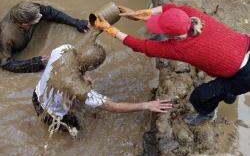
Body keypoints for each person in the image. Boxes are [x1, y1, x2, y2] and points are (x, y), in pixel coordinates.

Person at [94, 3, 250, 126]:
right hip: (245, 46)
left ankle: (207, 114)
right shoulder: (189, 13)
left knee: (199, 97)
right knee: (226, 82)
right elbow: (167, 8)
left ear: (170, 35)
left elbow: (140, 46)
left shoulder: (180, 48)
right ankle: (229, 94)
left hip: (244, 75)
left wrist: (110, 30)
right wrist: (137, 13)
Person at [33, 44, 172, 133]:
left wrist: (83, 75)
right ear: (92, 67)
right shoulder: (81, 90)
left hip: (37, 94)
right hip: (53, 116)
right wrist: (147, 105)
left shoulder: (64, 48)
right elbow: (113, 107)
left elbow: (66, 66)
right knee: (77, 133)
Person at [0, 1, 89, 73]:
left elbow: (50, 12)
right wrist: (34, 63)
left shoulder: (30, 8)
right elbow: (5, 63)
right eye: (36, 19)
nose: (41, 16)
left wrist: (76, 22)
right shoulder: (5, 36)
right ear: (24, 24)